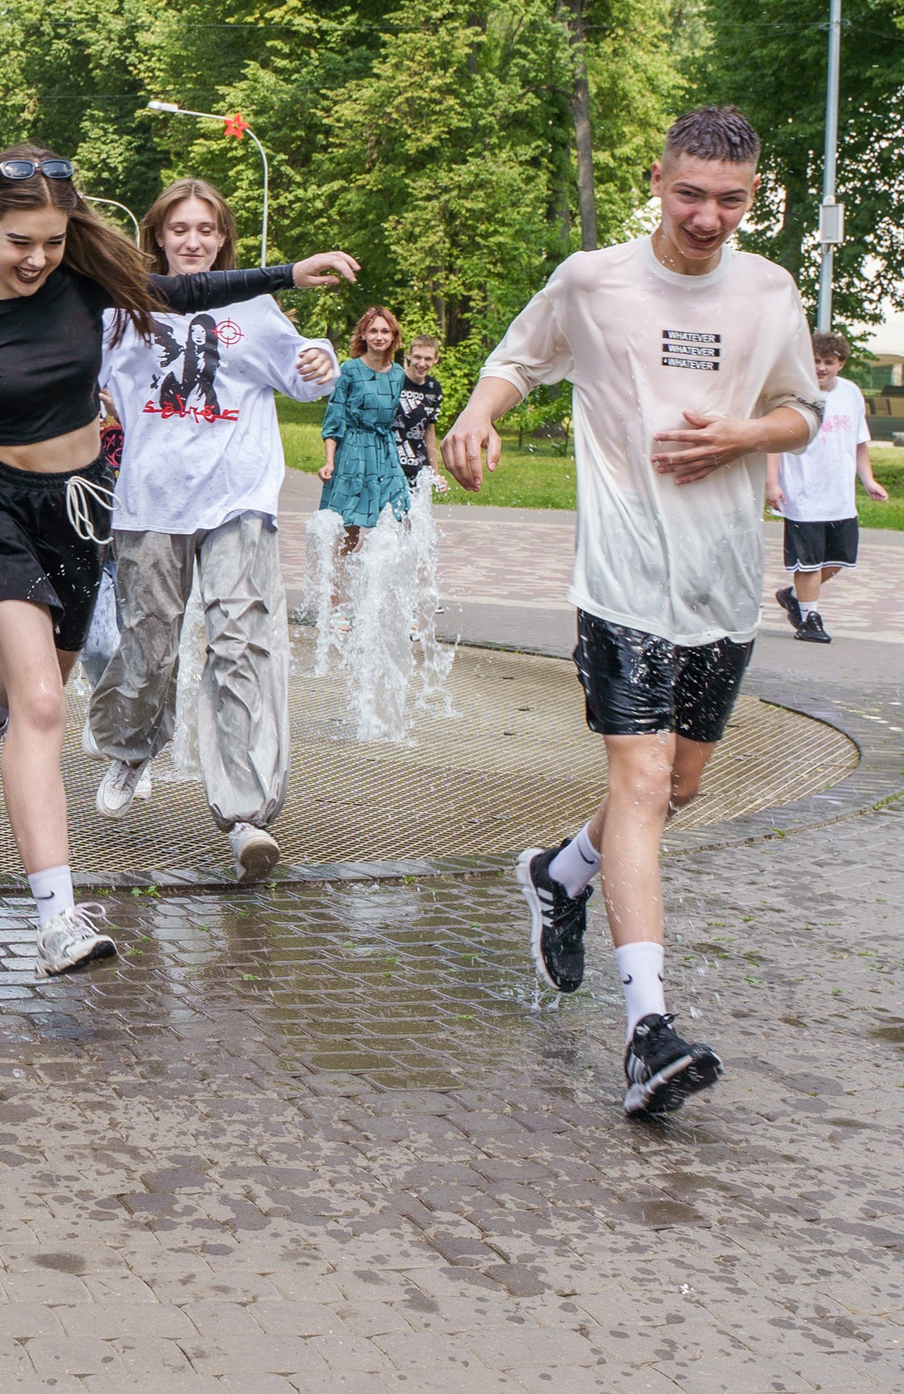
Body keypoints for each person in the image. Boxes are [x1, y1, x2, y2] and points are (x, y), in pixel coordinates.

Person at [0, 143, 357, 975]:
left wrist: (290, 273)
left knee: (39, 689)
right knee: (46, 703)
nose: (38, 259)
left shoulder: (91, 295)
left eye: (54, 242)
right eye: (21, 241)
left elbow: (192, 292)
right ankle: (57, 915)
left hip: (77, 513)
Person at [443, 106, 820, 1118]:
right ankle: (647, 1029)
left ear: (753, 196)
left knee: (681, 786)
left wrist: (744, 432)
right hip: (621, 578)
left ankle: (560, 874)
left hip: (721, 578)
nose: (705, 216)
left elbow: (802, 411)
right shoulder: (591, 280)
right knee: (644, 783)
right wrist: (479, 412)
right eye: (688, 193)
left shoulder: (768, 290)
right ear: (656, 178)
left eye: (729, 200)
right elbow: (518, 359)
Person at [85, 177, 339, 880]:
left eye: (206, 230)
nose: (194, 241)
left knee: (240, 647)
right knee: (150, 648)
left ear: (223, 237)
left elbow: (304, 373)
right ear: (158, 238)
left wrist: (322, 361)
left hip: (238, 505)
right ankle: (130, 748)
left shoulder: (253, 307)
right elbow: (77, 375)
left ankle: (245, 815)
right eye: (179, 230)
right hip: (150, 506)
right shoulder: (124, 311)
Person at [766, 331, 887, 643]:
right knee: (807, 559)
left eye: (828, 362)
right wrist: (772, 483)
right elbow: (774, 443)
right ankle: (809, 618)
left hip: (839, 493)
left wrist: (868, 480)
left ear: (841, 364)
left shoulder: (850, 393)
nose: (821, 367)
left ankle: (794, 596)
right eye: (815, 360)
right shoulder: (793, 393)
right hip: (803, 491)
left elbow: (860, 443)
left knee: (840, 557)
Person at [318, 307, 412, 546]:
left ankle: (387, 572)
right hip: (354, 449)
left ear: (393, 336)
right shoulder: (350, 370)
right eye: (373, 331)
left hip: (385, 449)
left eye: (384, 331)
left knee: (401, 510)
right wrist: (330, 462)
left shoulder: (399, 373)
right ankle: (341, 580)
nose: (379, 336)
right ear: (363, 335)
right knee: (349, 524)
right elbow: (334, 419)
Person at [394, 332, 446, 486]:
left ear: (435, 359)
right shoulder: (394, 380)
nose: (422, 363)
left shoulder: (433, 388)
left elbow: (429, 431)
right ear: (409, 355)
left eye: (428, 358)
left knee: (417, 509)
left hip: (418, 464)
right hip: (391, 461)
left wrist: (436, 474)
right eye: (417, 357)